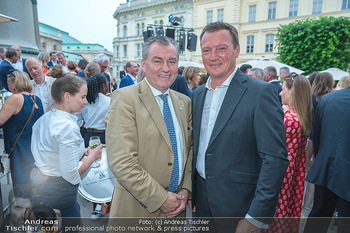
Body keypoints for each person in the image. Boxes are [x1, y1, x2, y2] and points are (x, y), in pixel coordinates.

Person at [191, 22, 288, 233]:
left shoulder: (260, 92)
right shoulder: (198, 95)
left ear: (237, 50)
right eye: (207, 50)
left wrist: (256, 217)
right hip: (202, 202)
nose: (213, 56)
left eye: (221, 48)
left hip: (240, 206)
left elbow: (275, 158)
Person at [105, 36, 192, 228]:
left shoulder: (184, 102)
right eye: (157, 61)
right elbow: (122, 161)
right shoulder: (125, 98)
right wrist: (161, 198)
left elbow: (189, 150)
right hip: (136, 209)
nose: (166, 68)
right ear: (144, 65)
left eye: (172, 61)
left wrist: (186, 189)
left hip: (176, 210)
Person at [30, 74, 102, 231]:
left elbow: (50, 151)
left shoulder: (45, 118)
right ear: (67, 96)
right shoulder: (66, 127)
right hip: (59, 191)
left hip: (41, 186)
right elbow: (70, 174)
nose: (86, 101)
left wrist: (81, 151)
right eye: (82, 97)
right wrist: (92, 157)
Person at [263, 74, 312, 233]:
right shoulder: (300, 116)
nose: (280, 93)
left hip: (280, 177)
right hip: (292, 177)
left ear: (293, 91)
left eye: (283, 89)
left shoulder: (289, 119)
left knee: (274, 217)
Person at [303, 82, 350, 233]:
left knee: (318, 216)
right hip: (335, 169)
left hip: (325, 166)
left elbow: (317, 136)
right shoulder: (328, 99)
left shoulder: (328, 99)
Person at [0, 71, 44, 187]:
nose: (7, 86)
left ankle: (25, 205)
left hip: (20, 149)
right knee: (34, 184)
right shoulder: (37, 99)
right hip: (35, 149)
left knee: (22, 186)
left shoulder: (15, 98)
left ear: (15, 83)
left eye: (9, 83)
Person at [81, 73, 111, 219]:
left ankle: (95, 207)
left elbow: (78, 120)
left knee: (92, 172)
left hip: (88, 137)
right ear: (103, 85)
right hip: (104, 137)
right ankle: (106, 203)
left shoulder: (85, 101)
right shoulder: (108, 101)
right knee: (107, 171)